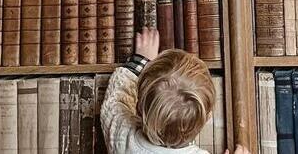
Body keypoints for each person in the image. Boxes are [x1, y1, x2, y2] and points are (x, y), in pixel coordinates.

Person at [100, 27, 251, 154]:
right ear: (207, 119)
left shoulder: (123, 137)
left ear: (139, 108)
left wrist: (141, 59)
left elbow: (116, 99)